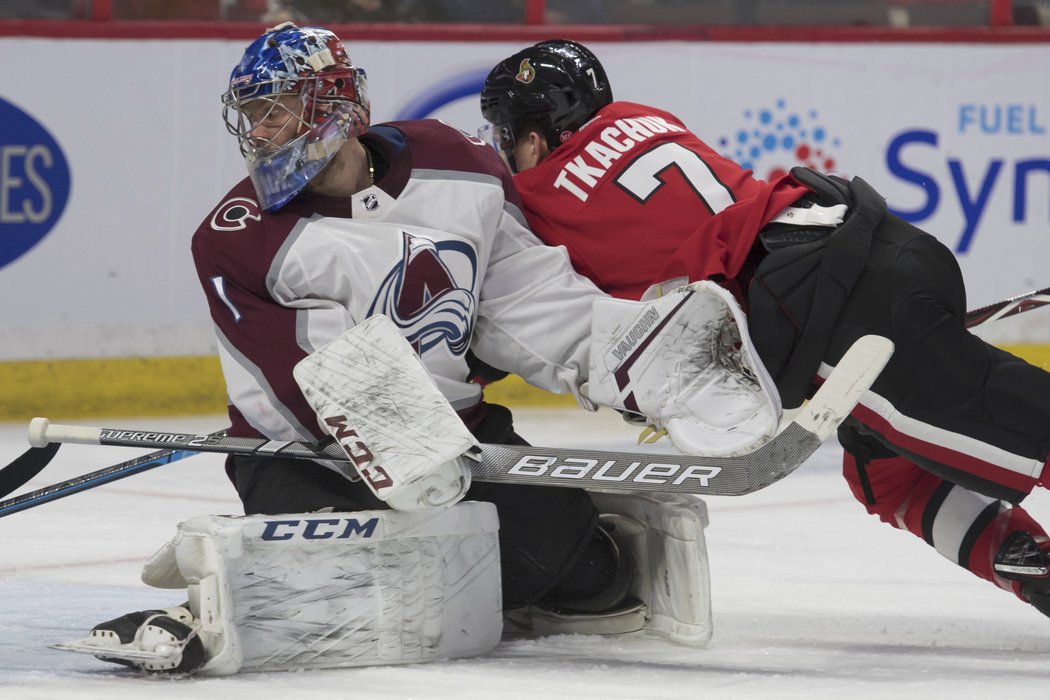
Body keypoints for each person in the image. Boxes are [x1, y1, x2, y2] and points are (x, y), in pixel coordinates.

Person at [59, 24, 726, 676]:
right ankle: (221, 602)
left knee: (588, 577)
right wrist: (412, 458)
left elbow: (529, 301)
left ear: (334, 102)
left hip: (466, 439)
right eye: (250, 115)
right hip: (312, 460)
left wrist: (630, 366)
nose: (257, 131)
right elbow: (307, 380)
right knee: (348, 585)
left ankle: (469, 574)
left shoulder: (457, 164)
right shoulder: (237, 238)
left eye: (272, 110)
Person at [479, 39, 1050, 622]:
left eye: (509, 138)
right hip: (872, 243)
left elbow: (528, 311)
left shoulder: (535, 201)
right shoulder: (645, 120)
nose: (507, 154)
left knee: (1029, 429)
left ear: (533, 136)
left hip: (827, 310)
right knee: (889, 476)